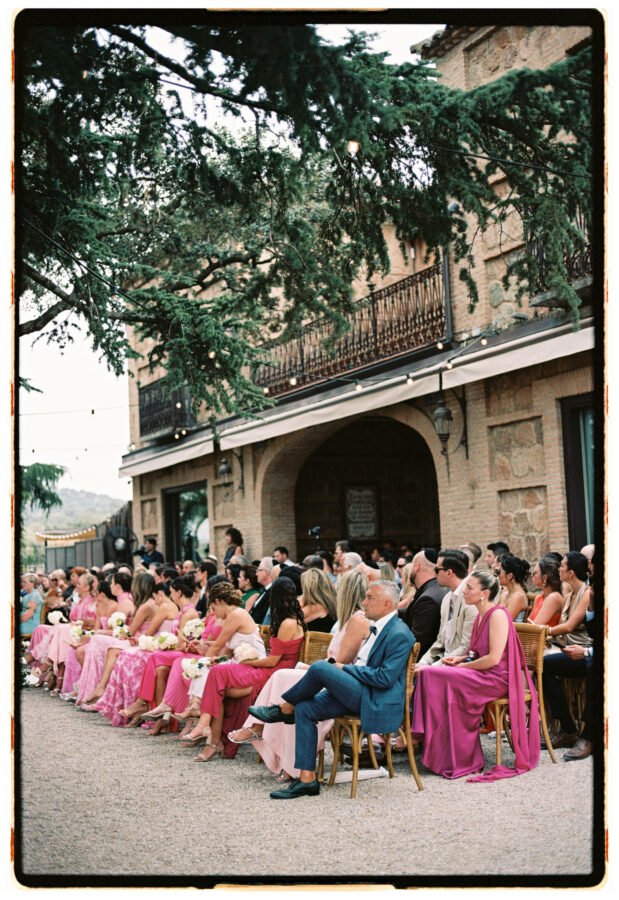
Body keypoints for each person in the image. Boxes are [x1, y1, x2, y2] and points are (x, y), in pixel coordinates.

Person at [249, 579, 413, 800]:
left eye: (369, 598)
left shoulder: (399, 633)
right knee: (306, 708)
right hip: (361, 691)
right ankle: (307, 779)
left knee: (320, 668)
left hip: (375, 699)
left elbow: (384, 678)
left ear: (387, 604)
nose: (363, 602)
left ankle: (285, 708)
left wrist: (345, 668)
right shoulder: (375, 626)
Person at [228, 570, 370, 782]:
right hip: (328, 673)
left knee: (284, 679)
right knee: (281, 678)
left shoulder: (357, 620)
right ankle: (267, 735)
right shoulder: (347, 619)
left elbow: (340, 662)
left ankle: (262, 729)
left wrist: (314, 668)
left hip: (339, 681)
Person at [411, 570, 540, 781]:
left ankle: (456, 754)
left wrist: (460, 669)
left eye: (469, 587)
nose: (464, 591)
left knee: (434, 673)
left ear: (484, 593)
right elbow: (477, 654)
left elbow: (494, 659)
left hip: (497, 679)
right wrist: (460, 660)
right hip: (483, 674)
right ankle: (441, 751)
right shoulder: (480, 614)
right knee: (432, 675)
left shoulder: (497, 614)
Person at [180, 576, 305, 761]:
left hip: (275, 673)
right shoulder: (287, 621)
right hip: (268, 668)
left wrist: (247, 662)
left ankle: (210, 737)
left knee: (217, 674)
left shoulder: (288, 623)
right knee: (217, 680)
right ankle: (212, 738)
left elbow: (272, 662)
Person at [417, 550, 477, 667]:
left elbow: (466, 647)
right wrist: (423, 662)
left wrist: (433, 667)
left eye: (436, 570)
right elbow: (440, 641)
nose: (434, 575)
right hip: (444, 662)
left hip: (462, 665)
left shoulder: (470, 599)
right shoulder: (446, 599)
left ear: (449, 572)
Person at [403, 548, 448, 659]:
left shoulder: (428, 599)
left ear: (417, 567)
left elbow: (417, 643)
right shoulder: (436, 590)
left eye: (412, 565)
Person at [299, 568, 337, 632]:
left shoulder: (317, 607)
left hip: (317, 641)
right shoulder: (330, 602)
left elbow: (290, 619)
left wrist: (301, 601)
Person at [528, 557, 563, 626]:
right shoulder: (538, 598)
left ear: (544, 578)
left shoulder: (554, 597)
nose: (532, 575)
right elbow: (529, 624)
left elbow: (535, 627)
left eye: (534, 573)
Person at [497, 555, 530, 621]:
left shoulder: (517, 597)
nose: (498, 575)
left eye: (499, 572)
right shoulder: (506, 594)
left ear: (510, 576)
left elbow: (505, 622)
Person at [246, 557, 274, 623]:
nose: (256, 574)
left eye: (258, 570)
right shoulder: (264, 590)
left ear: (266, 572)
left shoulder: (272, 592)